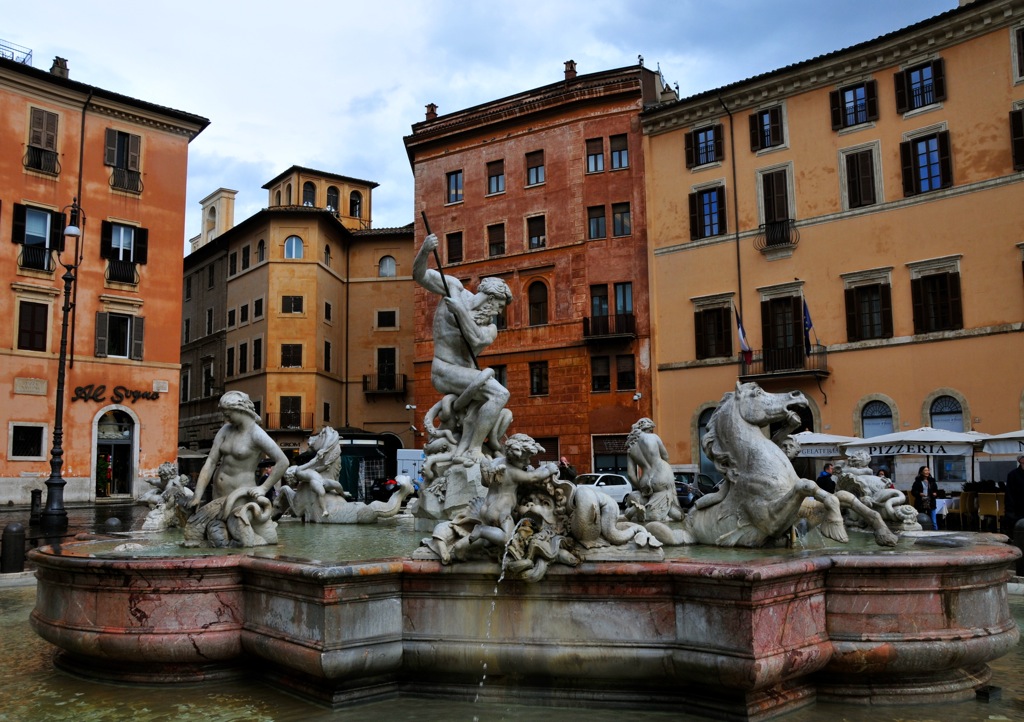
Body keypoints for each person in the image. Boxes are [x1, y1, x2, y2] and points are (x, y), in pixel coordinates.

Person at [413, 233, 513, 461]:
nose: (499, 312)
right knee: (500, 392)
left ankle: (477, 445)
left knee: (498, 397)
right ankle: (474, 449)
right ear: (490, 297)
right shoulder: (453, 288)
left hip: (467, 374)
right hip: (444, 370)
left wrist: (460, 312)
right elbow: (418, 275)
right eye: (499, 305)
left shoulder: (490, 329)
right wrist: (425, 251)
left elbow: (475, 340)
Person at [185, 391, 290, 546]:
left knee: (236, 538)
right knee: (203, 534)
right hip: (218, 495)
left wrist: (263, 487)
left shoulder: (257, 434)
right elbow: (210, 462)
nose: (226, 419)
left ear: (241, 410)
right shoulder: (225, 431)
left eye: (228, 414)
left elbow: (283, 461)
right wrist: (197, 496)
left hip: (240, 497)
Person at [624, 417, 682, 522]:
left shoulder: (630, 448)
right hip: (661, 473)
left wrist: (640, 488)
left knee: (647, 500)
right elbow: (666, 456)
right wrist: (666, 472)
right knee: (673, 508)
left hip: (645, 479)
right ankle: (658, 515)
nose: (651, 431)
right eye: (651, 429)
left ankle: (637, 510)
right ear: (648, 428)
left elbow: (631, 475)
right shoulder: (654, 437)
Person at [911, 465, 940, 530]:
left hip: (931, 502)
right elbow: (913, 491)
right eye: (925, 470)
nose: (927, 472)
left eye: (928, 470)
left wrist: (935, 493)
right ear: (921, 472)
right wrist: (919, 494)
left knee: (934, 520)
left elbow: (936, 490)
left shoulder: (932, 481)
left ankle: (935, 530)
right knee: (921, 519)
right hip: (921, 502)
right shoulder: (917, 482)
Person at [1005, 454, 1024, 528]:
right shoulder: (1013, 475)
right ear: (1020, 461)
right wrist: (1011, 514)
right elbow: (1009, 495)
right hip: (1018, 513)